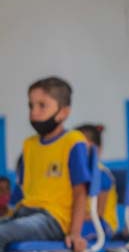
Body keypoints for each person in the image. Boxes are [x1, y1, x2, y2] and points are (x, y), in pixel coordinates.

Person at [0, 77, 90, 252]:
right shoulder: (29, 145)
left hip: (54, 219)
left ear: (63, 112)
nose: (34, 112)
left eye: (42, 105)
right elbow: (22, 189)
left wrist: (75, 233)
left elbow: (80, 192)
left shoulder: (73, 141)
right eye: (31, 105)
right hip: (24, 213)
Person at [76, 124, 118, 239]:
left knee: (71, 234)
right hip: (82, 221)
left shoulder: (102, 174)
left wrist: (74, 219)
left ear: (96, 149)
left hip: (101, 225)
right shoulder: (78, 173)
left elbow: (98, 213)